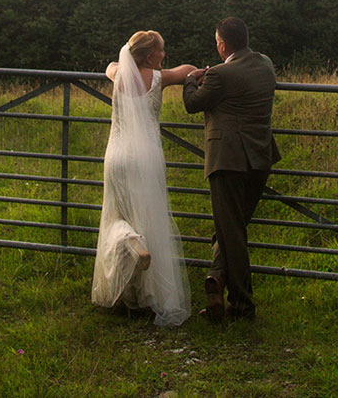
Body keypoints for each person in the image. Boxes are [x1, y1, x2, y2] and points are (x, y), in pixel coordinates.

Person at [91, 30, 198, 326]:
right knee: (148, 218)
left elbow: (109, 67)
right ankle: (145, 291)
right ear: (150, 56)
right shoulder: (158, 79)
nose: (164, 55)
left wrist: (119, 63)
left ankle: (126, 279)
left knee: (115, 216)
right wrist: (200, 72)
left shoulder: (119, 75)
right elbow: (186, 71)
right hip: (146, 159)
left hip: (117, 157)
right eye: (160, 51)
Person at [182, 16, 278, 322]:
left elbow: (193, 103)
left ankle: (242, 306)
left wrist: (190, 78)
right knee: (232, 230)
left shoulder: (220, 75)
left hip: (227, 160)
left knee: (230, 232)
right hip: (259, 158)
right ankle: (217, 279)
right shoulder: (266, 64)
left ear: (222, 45)